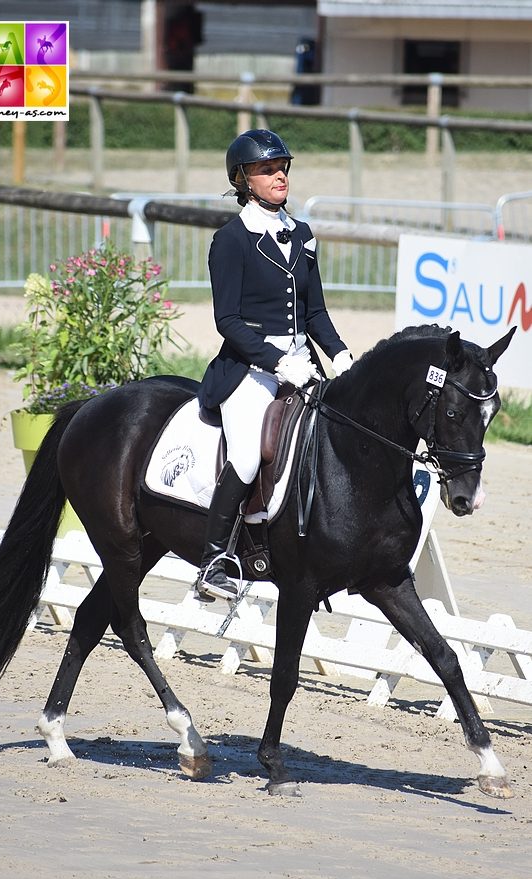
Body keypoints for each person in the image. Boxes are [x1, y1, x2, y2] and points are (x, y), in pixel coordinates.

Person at [194, 129, 353, 601]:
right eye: (266, 169)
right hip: (250, 369)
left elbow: (314, 312)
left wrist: (339, 353)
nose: (278, 174)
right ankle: (213, 561)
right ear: (243, 179)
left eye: (282, 166)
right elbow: (228, 321)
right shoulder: (232, 239)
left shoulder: (301, 235)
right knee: (246, 455)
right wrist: (277, 362)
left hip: (304, 363)